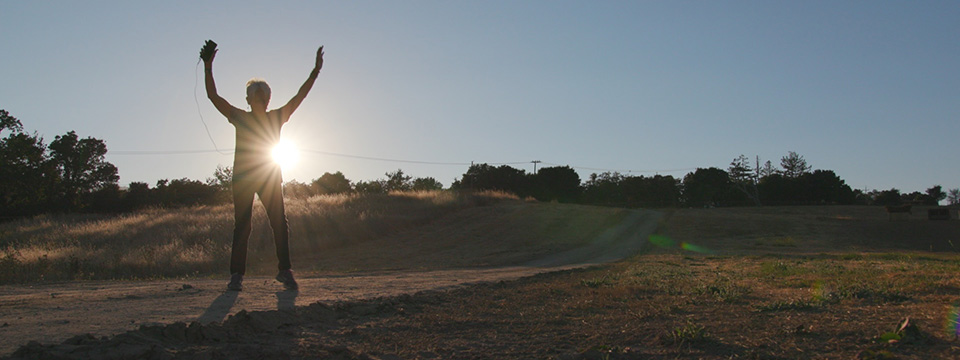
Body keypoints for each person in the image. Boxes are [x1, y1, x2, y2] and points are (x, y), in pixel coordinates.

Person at [202, 41, 324, 291]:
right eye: (256, 95)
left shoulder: (270, 117)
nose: (258, 98)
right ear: (254, 99)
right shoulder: (246, 117)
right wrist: (207, 67)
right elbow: (212, 96)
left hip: (266, 176)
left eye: (259, 95)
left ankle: (282, 270)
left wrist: (315, 72)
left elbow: (300, 96)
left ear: (263, 99)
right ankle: (237, 275)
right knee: (244, 225)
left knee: (278, 222)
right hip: (246, 178)